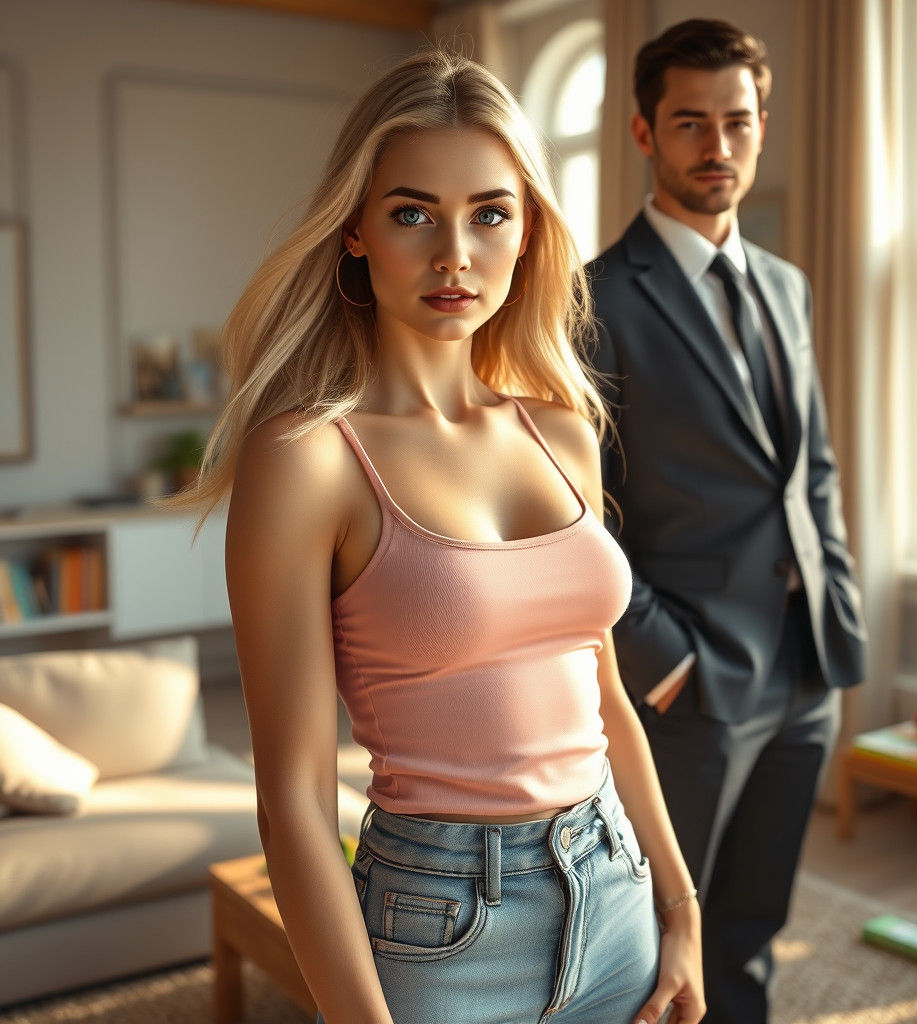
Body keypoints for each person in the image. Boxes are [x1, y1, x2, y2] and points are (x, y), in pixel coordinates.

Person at [178, 49, 705, 1024]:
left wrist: (679, 903)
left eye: (489, 213)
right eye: (413, 213)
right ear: (355, 234)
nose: (454, 252)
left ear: (528, 231)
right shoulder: (306, 458)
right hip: (440, 928)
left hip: (614, 884)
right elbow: (292, 798)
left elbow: (605, 700)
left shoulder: (560, 429)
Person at [587, 19, 868, 1024]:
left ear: (761, 125)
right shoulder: (594, 303)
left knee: (750, 936)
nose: (718, 147)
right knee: (655, 945)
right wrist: (664, 662)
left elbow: (812, 472)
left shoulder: (786, 286)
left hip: (803, 670)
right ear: (642, 132)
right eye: (690, 123)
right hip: (688, 688)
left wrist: (837, 597)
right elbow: (579, 518)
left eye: (737, 122)